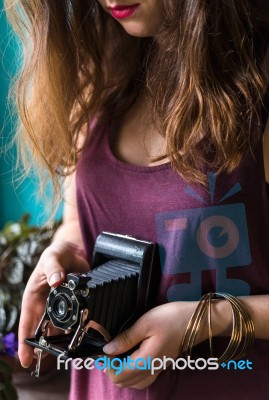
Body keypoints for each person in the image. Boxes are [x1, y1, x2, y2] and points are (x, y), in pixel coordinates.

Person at [4, 0, 269, 399]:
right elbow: (80, 223)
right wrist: (62, 252)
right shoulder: (97, 80)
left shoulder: (257, 94)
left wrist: (208, 319)